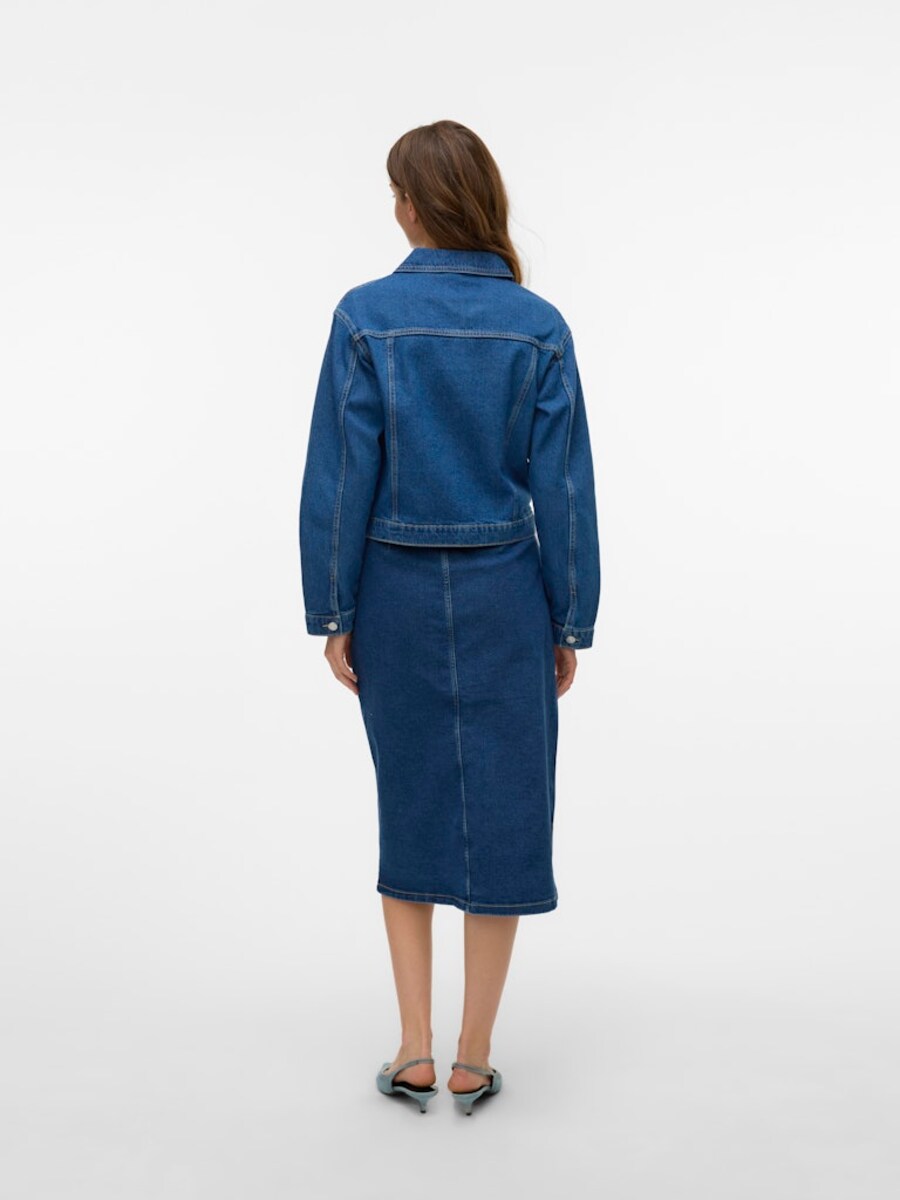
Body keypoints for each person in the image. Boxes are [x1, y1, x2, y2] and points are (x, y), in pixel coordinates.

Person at [298, 120, 600, 1113]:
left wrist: (334, 607)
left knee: (412, 802)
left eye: (396, 192)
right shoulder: (538, 325)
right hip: (507, 593)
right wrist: (569, 618)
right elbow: (564, 489)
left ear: (412, 205)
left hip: (392, 592)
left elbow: (340, 478)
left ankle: (413, 1049)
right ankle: (473, 1055)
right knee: (506, 809)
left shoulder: (365, 316)